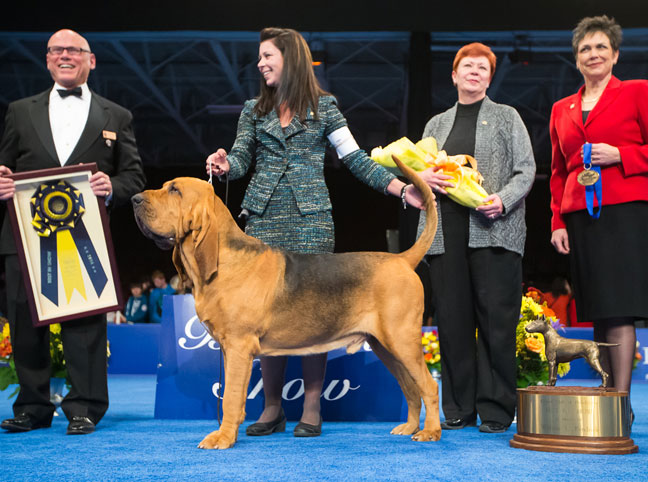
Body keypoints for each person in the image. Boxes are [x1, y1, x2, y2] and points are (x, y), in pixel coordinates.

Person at [206, 27, 424, 437]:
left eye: (267, 55)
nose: (260, 63)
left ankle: (311, 409)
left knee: (315, 317)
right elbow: (239, 158)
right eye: (259, 57)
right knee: (263, 316)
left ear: (290, 58)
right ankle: (271, 409)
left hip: (311, 224)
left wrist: (400, 189)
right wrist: (223, 164)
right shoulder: (253, 110)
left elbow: (356, 160)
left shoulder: (326, 108)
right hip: (263, 222)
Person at [0, 29, 145, 435]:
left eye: (74, 50)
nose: (65, 56)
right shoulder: (18, 110)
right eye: (57, 50)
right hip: (24, 240)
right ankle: (31, 406)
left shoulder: (117, 116)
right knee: (26, 324)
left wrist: (111, 187)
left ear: (91, 60)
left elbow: (133, 176)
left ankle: (84, 407)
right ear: (47, 60)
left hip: (87, 239)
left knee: (84, 326)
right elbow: (4, 165)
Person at [416, 43, 535, 433]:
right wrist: (423, 180)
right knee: (451, 323)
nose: (475, 72)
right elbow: (420, 172)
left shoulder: (507, 117)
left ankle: (497, 410)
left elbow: (526, 170)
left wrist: (502, 200)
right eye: (467, 66)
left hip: (495, 231)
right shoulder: (435, 124)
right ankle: (457, 408)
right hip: (443, 234)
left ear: (489, 77)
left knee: (497, 323)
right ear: (454, 75)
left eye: (483, 68)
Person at [549, 15, 648, 405]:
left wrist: (622, 154)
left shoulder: (638, 92)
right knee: (598, 309)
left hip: (626, 212)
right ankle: (607, 401)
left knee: (619, 308)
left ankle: (620, 405)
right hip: (579, 217)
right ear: (576, 59)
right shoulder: (562, 108)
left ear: (615, 55)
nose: (593, 54)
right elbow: (558, 172)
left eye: (600, 47)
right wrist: (557, 221)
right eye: (585, 48)